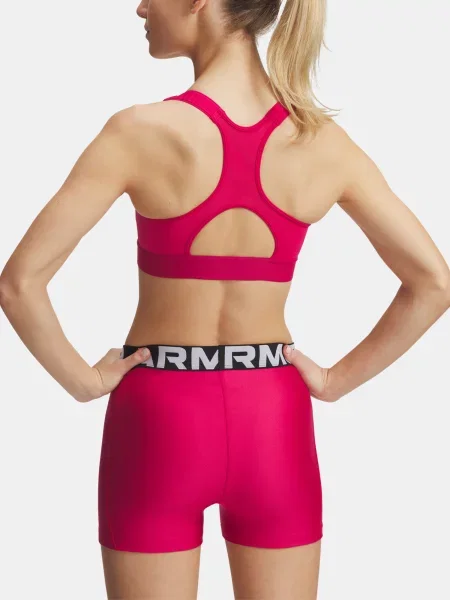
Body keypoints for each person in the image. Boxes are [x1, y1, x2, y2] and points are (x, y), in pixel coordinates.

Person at [1, 0, 449, 598]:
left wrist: (84, 382)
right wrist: (334, 381)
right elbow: (432, 282)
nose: (140, 6)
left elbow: (20, 282)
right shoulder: (320, 143)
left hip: (159, 414)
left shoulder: (139, 133)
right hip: (273, 416)